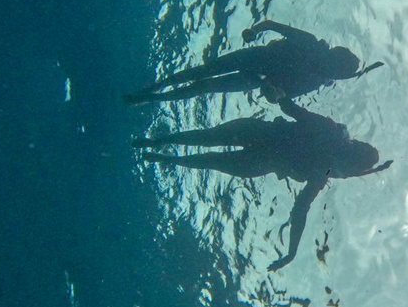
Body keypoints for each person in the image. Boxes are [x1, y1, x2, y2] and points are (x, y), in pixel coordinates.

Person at [135, 99, 392, 270]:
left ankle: (157, 144)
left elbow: (294, 111)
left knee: (207, 139)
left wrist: (279, 95)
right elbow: (299, 211)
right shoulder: (322, 171)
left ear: (355, 144)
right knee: (208, 159)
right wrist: (291, 252)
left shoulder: (330, 134)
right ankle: (163, 155)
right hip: (258, 162)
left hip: (259, 134)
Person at [124, 21, 381, 105]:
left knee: (203, 81)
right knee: (203, 80)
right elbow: (272, 25)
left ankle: (155, 94)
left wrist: (272, 91)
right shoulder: (311, 47)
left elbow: (281, 98)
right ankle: (155, 92)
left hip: (255, 73)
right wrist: (254, 31)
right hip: (255, 63)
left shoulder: (315, 76)